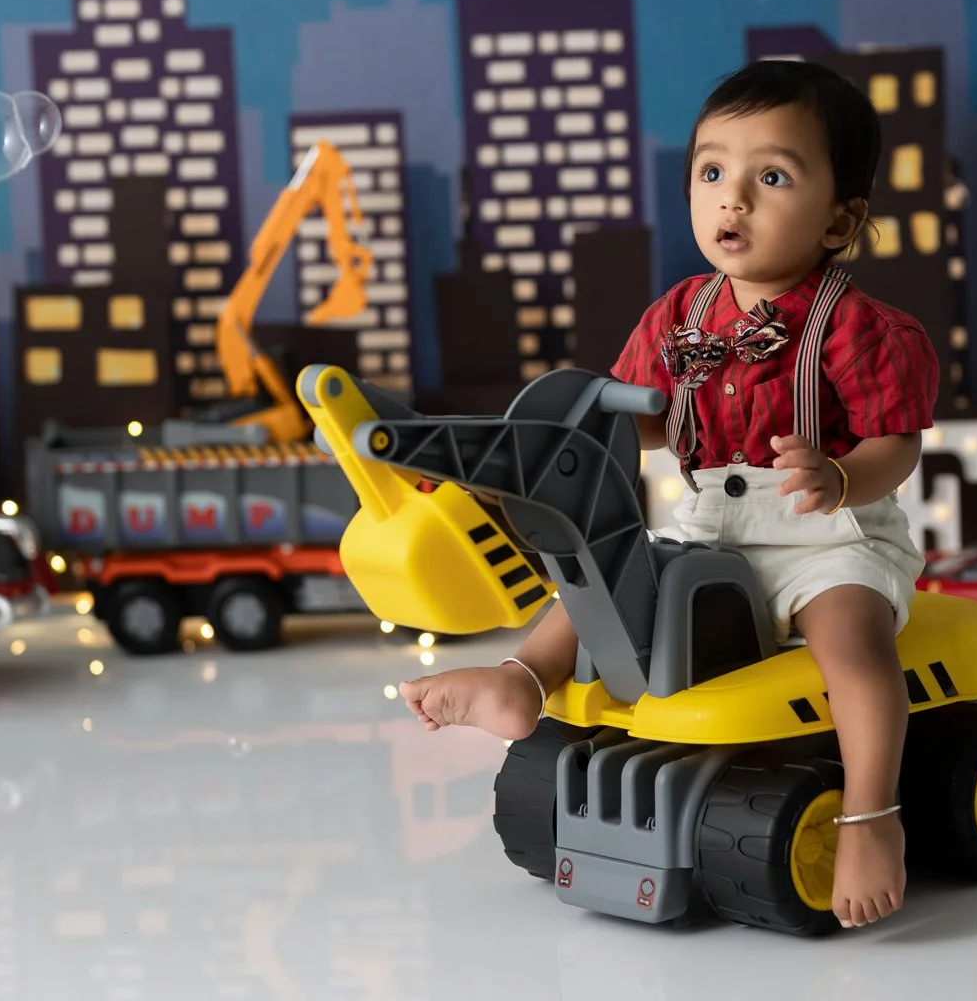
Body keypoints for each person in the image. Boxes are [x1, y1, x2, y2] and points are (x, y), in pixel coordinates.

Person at [398, 59, 938, 930]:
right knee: (607, 571)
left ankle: (872, 813)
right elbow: (644, 419)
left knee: (854, 646)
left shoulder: (858, 326)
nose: (735, 200)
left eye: (772, 177)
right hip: (714, 516)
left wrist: (840, 476)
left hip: (823, 529)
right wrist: (572, 432)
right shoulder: (678, 315)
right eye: (713, 172)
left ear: (842, 218)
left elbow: (896, 442)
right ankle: (521, 678)